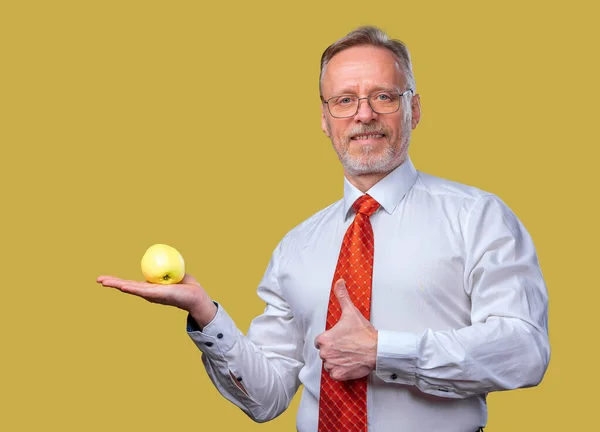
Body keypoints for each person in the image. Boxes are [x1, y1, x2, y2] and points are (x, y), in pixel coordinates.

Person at [97, 25, 550, 432]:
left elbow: (525, 350)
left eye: (384, 96)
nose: (364, 114)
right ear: (325, 119)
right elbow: (267, 397)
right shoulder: (297, 246)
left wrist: (383, 352)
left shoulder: (478, 217)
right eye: (345, 100)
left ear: (413, 109)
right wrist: (205, 314)